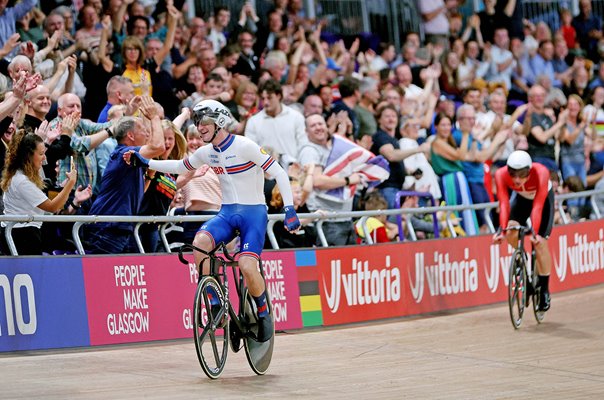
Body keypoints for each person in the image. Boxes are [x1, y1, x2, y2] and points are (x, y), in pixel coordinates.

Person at [127, 99, 301, 343]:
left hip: (253, 214)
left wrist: (289, 208)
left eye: (203, 122)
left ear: (220, 121)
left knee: (247, 266)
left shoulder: (245, 146)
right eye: (196, 123)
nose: (199, 128)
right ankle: (215, 302)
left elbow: (280, 173)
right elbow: (179, 165)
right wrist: (146, 162)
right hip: (227, 213)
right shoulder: (206, 153)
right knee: (199, 244)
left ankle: (263, 312)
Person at [86, 95, 165, 254]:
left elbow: (135, 194)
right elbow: (158, 146)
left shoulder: (132, 158)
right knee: (102, 276)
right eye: (143, 130)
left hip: (123, 227)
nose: (147, 134)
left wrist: (148, 176)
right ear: (130, 135)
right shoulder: (124, 154)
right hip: (107, 227)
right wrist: (155, 117)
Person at [493, 150, 554, 312]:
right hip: (522, 199)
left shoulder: (541, 172)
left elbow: (538, 206)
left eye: (522, 174)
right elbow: (504, 204)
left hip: (542, 200)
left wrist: (535, 233)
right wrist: (502, 230)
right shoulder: (500, 174)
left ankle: (545, 289)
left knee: (540, 243)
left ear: (530, 170)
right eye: (513, 174)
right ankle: (522, 258)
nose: (517, 179)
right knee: (511, 230)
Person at [0, 130, 76, 255]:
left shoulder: (22, 176)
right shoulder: (21, 181)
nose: (44, 158)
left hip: (25, 233)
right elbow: (52, 207)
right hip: (22, 235)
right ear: (28, 156)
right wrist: (70, 183)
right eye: (41, 154)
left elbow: (53, 207)